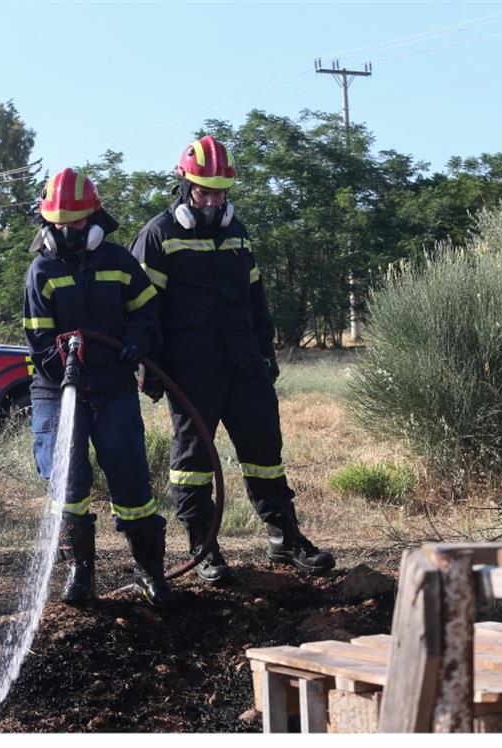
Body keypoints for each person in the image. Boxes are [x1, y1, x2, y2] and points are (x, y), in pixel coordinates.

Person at [129, 135, 335, 583]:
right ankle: (204, 548)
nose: (214, 199)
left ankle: (285, 538)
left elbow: (256, 299)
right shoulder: (158, 235)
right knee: (192, 465)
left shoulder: (237, 234)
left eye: (221, 191)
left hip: (244, 365)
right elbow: (141, 310)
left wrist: (266, 351)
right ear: (185, 186)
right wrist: (148, 366)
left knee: (265, 454)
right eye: (206, 191)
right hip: (190, 371)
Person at [23, 167, 172, 608]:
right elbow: (38, 341)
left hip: (112, 386)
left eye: (77, 222)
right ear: (48, 223)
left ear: (95, 218)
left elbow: (147, 313)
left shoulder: (119, 263)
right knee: (67, 479)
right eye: (60, 223)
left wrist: (136, 344)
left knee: (131, 481)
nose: (68, 230)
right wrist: (63, 364)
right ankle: (80, 572)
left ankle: (149, 571)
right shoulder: (41, 271)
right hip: (57, 390)